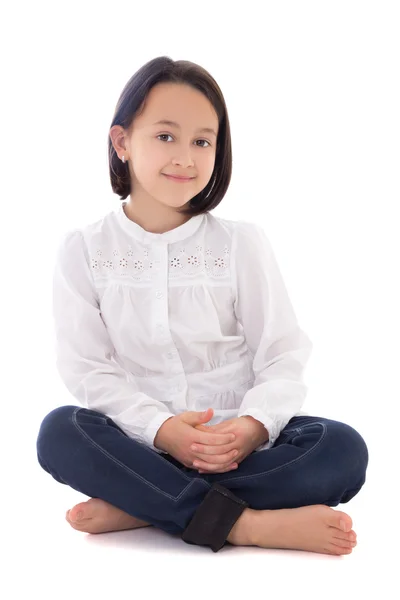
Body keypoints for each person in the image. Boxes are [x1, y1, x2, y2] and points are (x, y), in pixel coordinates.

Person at [36, 55, 369, 555]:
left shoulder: (242, 243)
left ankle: (144, 504)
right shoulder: (83, 249)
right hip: (139, 444)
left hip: (240, 447)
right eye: (166, 136)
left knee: (341, 449)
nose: (186, 158)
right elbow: (87, 369)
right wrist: (162, 430)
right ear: (122, 142)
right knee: (60, 432)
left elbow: (281, 355)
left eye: (202, 141)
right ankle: (246, 525)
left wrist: (252, 428)